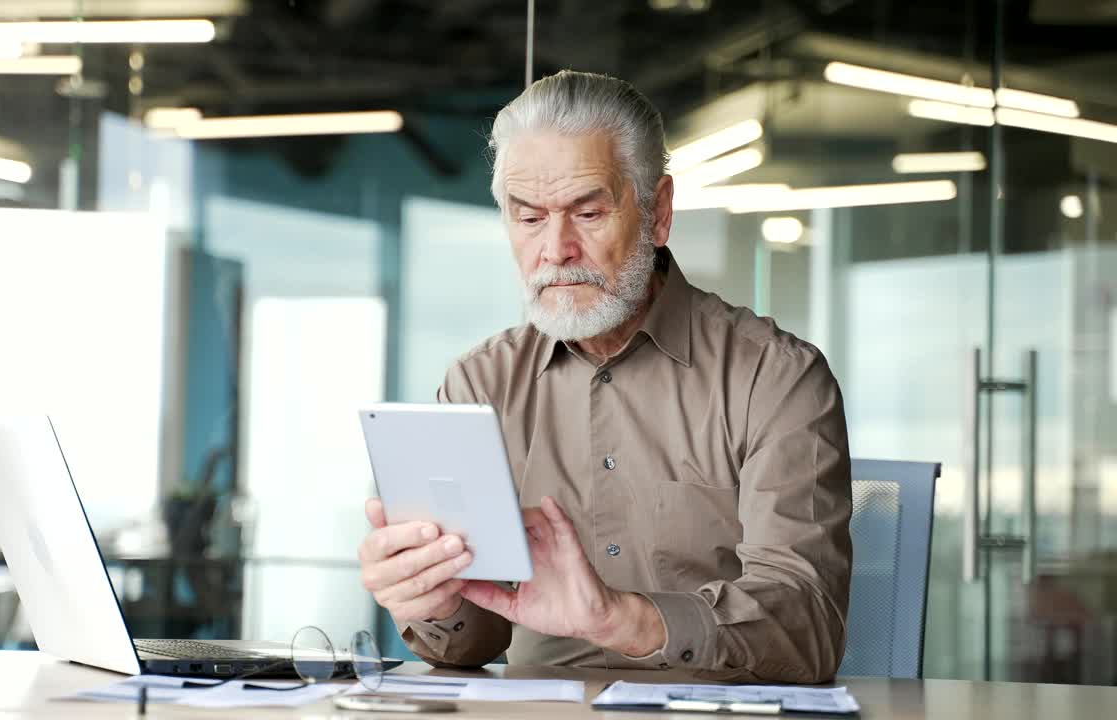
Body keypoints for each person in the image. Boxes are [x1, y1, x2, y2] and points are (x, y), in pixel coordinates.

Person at [357, 70, 852, 683]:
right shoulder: (481, 383)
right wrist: (432, 600)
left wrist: (621, 618)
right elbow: (472, 643)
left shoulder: (773, 378)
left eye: (588, 212)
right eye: (529, 218)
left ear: (659, 212)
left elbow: (808, 625)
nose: (556, 248)